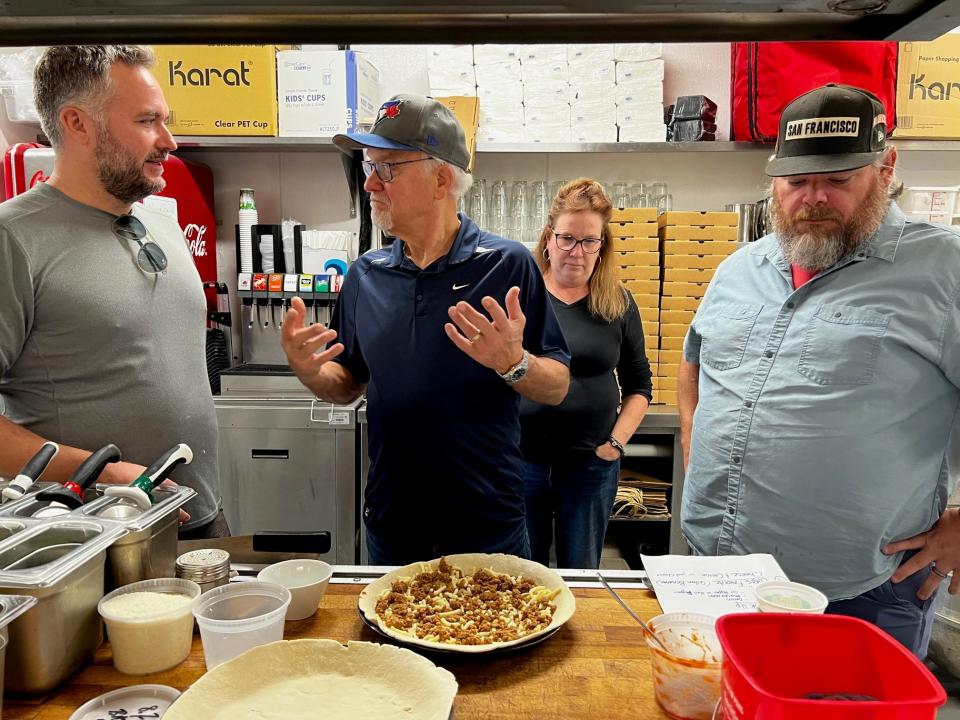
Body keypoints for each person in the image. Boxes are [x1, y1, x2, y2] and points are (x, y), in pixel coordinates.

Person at [679, 83, 960, 656]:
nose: (814, 198)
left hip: (864, 589)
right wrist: (695, 439)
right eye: (798, 181)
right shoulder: (740, 267)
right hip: (719, 569)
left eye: (838, 180)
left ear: (885, 170)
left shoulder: (943, 269)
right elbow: (695, 363)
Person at [280, 93, 571, 566]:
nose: (370, 183)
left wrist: (513, 364)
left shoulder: (506, 265)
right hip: (393, 528)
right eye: (368, 165)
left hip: (488, 527)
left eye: (387, 168)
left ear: (440, 180)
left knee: (494, 642)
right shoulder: (365, 276)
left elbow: (557, 387)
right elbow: (348, 384)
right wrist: (308, 371)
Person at [0, 46, 227, 538]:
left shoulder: (161, 224)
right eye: (148, 121)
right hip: (90, 535)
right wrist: (104, 472)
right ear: (78, 123)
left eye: (165, 121)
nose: (169, 141)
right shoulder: (14, 238)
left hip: (199, 518)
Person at [520, 178, 653, 569]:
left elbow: (639, 385)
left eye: (589, 241)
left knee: (582, 572)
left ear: (602, 246)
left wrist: (615, 445)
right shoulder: (522, 297)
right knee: (523, 574)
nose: (577, 252)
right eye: (567, 238)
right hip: (523, 462)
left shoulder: (617, 302)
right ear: (549, 238)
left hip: (590, 464)